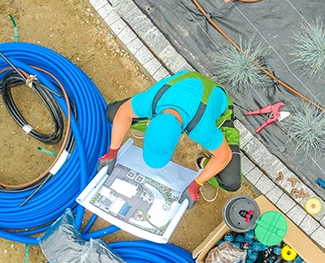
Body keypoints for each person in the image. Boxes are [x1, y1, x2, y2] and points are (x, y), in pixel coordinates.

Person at [98, 70, 241, 207]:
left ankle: (203, 161)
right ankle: (155, 134)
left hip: (217, 108)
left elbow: (224, 155)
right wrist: (113, 151)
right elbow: (123, 113)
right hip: (186, 85)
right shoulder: (150, 101)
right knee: (113, 113)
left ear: (182, 137)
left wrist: (197, 183)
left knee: (230, 182)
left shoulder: (201, 129)